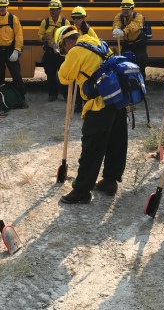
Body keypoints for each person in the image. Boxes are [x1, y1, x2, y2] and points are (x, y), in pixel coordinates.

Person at [55, 25, 128, 204]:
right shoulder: (97, 42)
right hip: (118, 100)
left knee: (92, 148)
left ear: (66, 42)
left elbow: (64, 77)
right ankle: (110, 181)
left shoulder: (76, 51)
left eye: (62, 48)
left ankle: (81, 191)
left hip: (99, 105)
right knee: (115, 142)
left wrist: (68, 62)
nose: (64, 52)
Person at [38, 0, 70, 102]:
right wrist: (43, 38)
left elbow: (70, 36)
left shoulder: (65, 22)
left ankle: (65, 94)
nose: (53, 11)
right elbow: (40, 34)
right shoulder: (45, 22)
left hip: (62, 53)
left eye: (55, 9)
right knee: (50, 74)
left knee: (64, 74)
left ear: (60, 10)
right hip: (50, 52)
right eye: (51, 9)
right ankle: (52, 94)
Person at [112, 0, 148, 80]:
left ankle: (141, 84)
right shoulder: (119, 16)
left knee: (139, 66)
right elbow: (116, 22)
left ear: (132, 9)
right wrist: (116, 28)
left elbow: (135, 25)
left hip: (138, 45)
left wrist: (124, 31)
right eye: (123, 9)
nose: (125, 11)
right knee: (125, 64)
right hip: (126, 45)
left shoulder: (138, 16)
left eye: (127, 9)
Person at [70, 6, 98, 112]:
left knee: (86, 83)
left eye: (78, 18)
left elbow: (96, 43)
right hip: (76, 59)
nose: (76, 20)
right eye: (74, 18)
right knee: (75, 82)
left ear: (83, 18)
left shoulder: (89, 30)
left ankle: (87, 104)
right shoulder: (72, 29)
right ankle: (77, 105)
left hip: (87, 60)